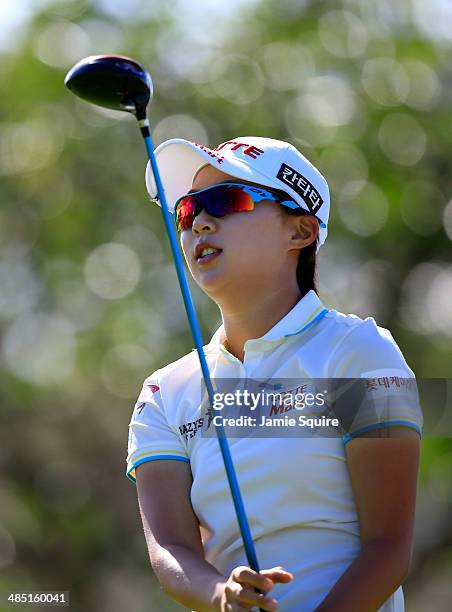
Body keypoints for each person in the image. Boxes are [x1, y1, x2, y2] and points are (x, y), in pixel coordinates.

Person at [126, 137, 422, 611]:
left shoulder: (361, 353)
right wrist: (220, 592)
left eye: (226, 200)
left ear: (300, 232)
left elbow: (388, 551)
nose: (200, 221)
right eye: (186, 212)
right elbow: (172, 550)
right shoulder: (164, 392)